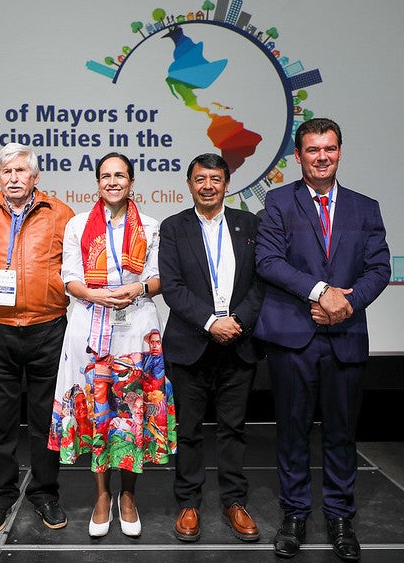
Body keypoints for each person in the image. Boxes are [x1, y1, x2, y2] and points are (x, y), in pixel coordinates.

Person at [254, 118, 390, 561]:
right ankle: (294, 515)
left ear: (340, 152)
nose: (321, 157)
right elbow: (268, 261)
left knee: (341, 434)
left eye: (329, 148)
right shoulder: (278, 202)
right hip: (294, 338)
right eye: (312, 149)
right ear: (298, 156)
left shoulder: (365, 208)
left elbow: (379, 268)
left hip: (345, 334)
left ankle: (340, 518)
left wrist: (346, 303)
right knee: (292, 433)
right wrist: (320, 292)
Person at [48, 152, 177, 538]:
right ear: (98, 182)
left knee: (132, 410)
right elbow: (69, 277)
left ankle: (129, 496)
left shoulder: (151, 226)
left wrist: (137, 288)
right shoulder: (77, 225)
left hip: (136, 327)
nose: (113, 182)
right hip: (90, 325)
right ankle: (102, 495)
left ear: (132, 182)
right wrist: (94, 294)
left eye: (120, 175)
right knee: (98, 410)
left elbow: (159, 278)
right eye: (105, 176)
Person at [0, 143, 75, 534]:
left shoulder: (60, 213)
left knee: (46, 420)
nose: (14, 178)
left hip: (49, 327)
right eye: (7, 171)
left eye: (21, 171)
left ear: (35, 177)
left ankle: (45, 495)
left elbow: (73, 267)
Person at [158, 153, 265, 543]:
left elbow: (261, 282)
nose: (208, 186)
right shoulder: (173, 227)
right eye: (200, 179)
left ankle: (234, 501)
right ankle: (188, 503)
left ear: (226, 184)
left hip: (239, 342)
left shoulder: (250, 225)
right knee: (187, 431)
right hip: (190, 344)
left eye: (215, 179)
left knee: (233, 429)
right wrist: (210, 322)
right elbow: (172, 286)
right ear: (189, 184)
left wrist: (237, 322)